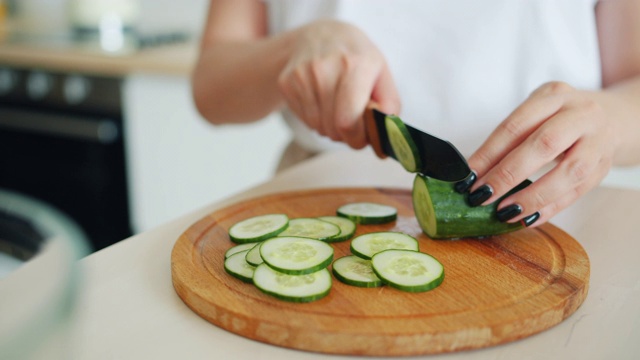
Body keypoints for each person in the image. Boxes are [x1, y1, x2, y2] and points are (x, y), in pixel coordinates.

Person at [191, 0, 640, 228]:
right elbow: (211, 86)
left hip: (551, 206)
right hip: (318, 198)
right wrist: (292, 47)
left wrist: (611, 120)